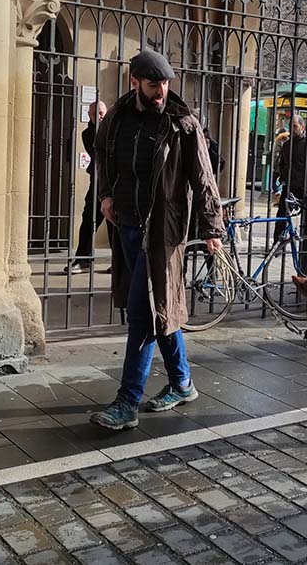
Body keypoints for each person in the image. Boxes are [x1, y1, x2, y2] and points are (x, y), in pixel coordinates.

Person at [90, 49, 224, 430]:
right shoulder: (116, 118)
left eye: (165, 82)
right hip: (126, 228)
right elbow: (103, 157)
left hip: (161, 234)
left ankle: (127, 402)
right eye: (153, 84)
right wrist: (105, 196)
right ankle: (182, 382)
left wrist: (211, 228)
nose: (161, 90)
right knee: (160, 308)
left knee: (143, 313)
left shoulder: (183, 123)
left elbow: (203, 177)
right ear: (135, 82)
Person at [66, 101, 113, 274]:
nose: (100, 117)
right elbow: (99, 152)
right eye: (96, 114)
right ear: (89, 116)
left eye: (102, 113)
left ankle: (118, 263)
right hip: (99, 184)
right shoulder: (88, 133)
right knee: (88, 220)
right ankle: (83, 260)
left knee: (115, 225)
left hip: (117, 184)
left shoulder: (117, 128)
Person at [274, 114, 307, 240]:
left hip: (304, 186)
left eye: (295, 126)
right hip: (289, 186)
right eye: (291, 126)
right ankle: (276, 244)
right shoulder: (287, 145)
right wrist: (283, 178)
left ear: (302, 126)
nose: (292, 129)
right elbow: (282, 162)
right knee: (281, 216)